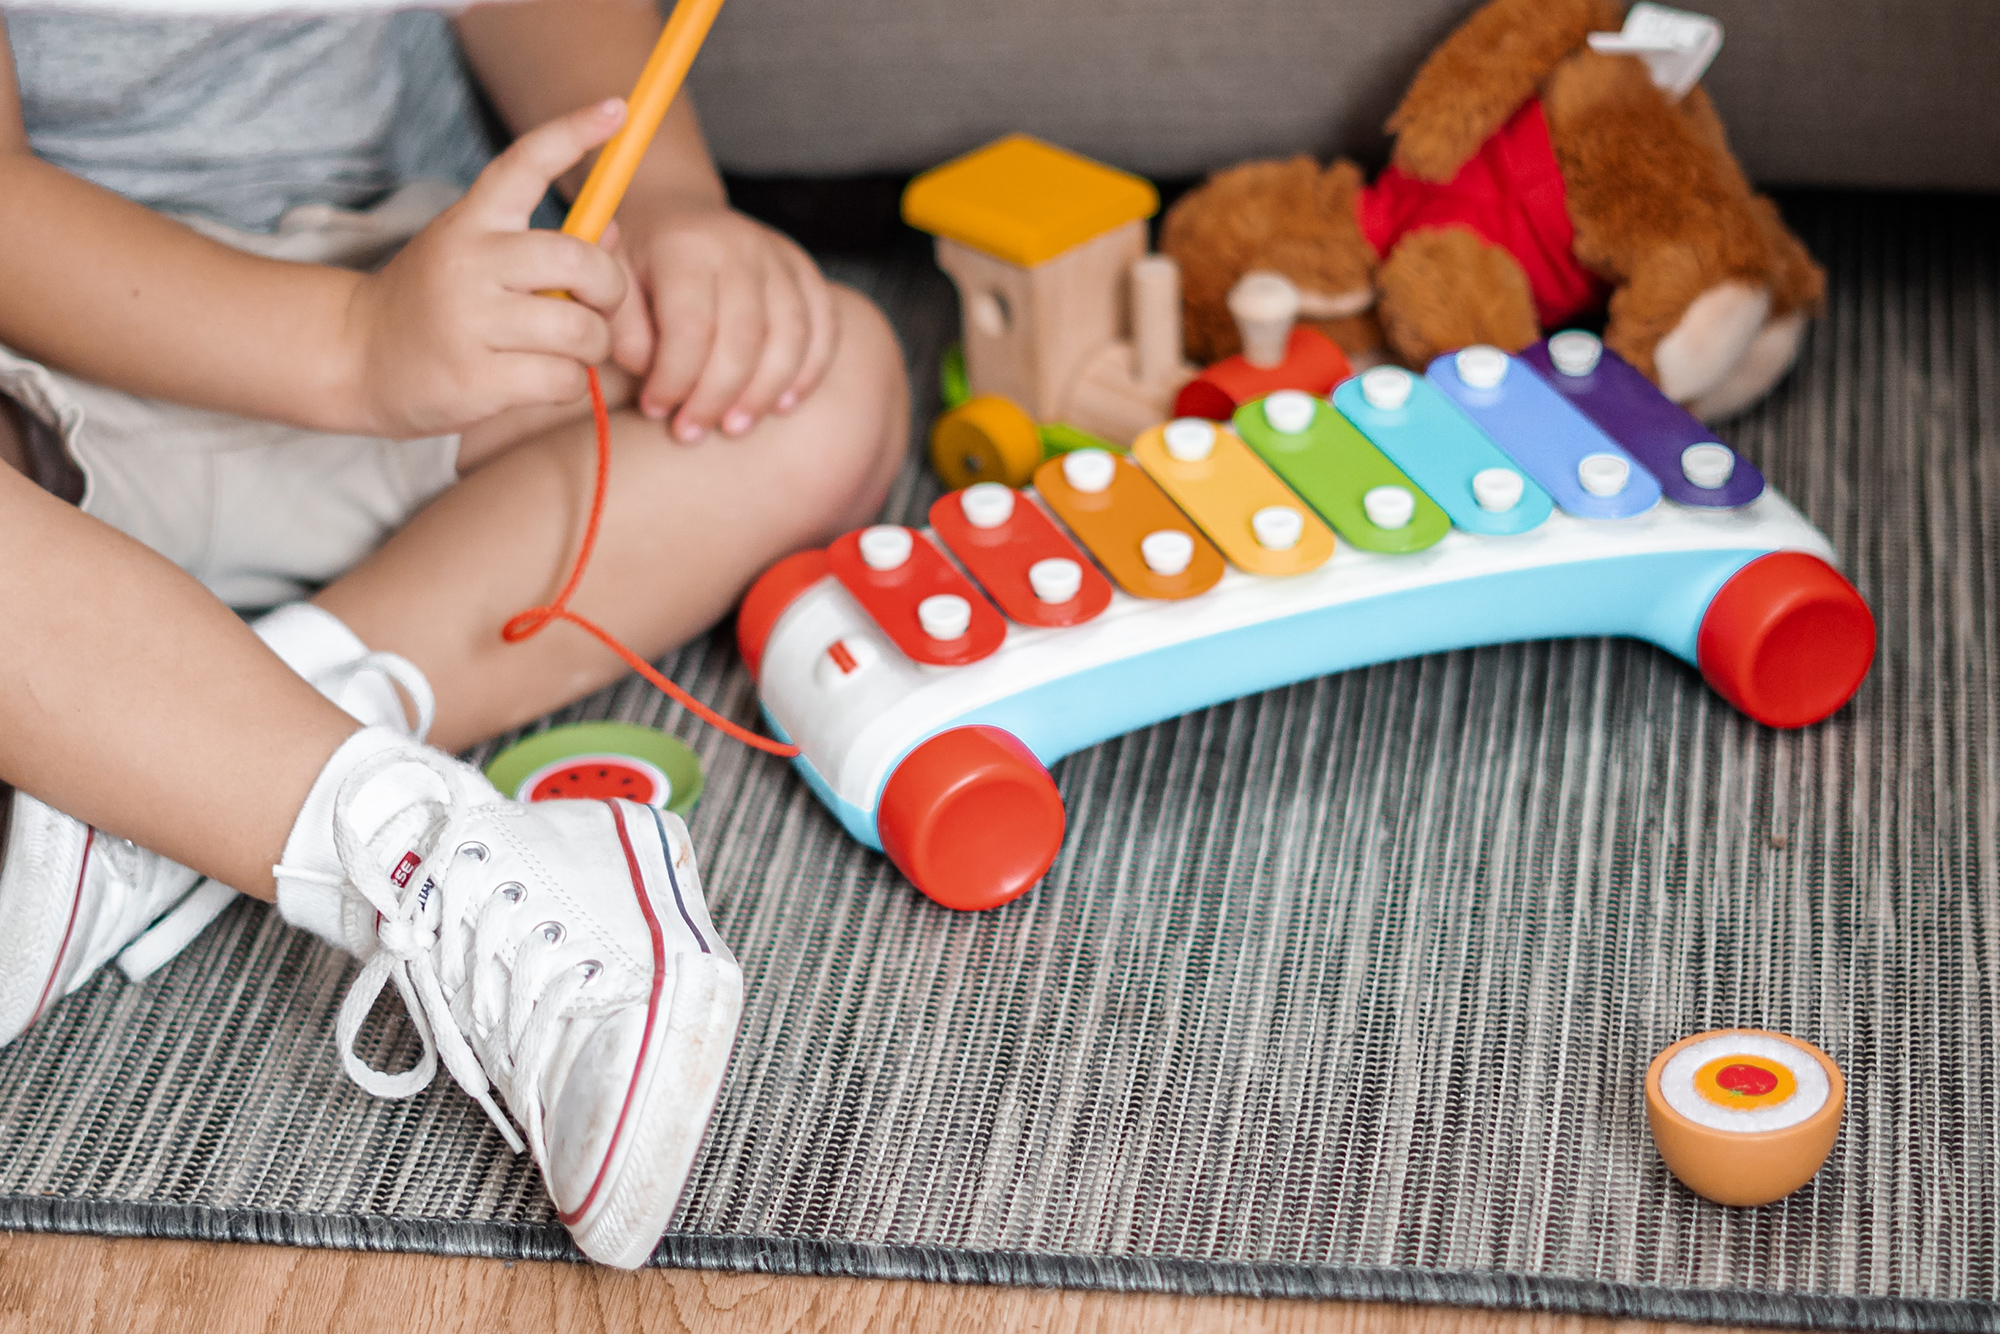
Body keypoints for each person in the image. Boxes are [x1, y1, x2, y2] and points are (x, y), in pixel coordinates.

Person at [0, 0, 907, 1268]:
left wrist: (669, 207)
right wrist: (352, 354)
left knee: (826, 385)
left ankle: (176, 775)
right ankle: (363, 821)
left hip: (375, 283)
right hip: (51, 375)